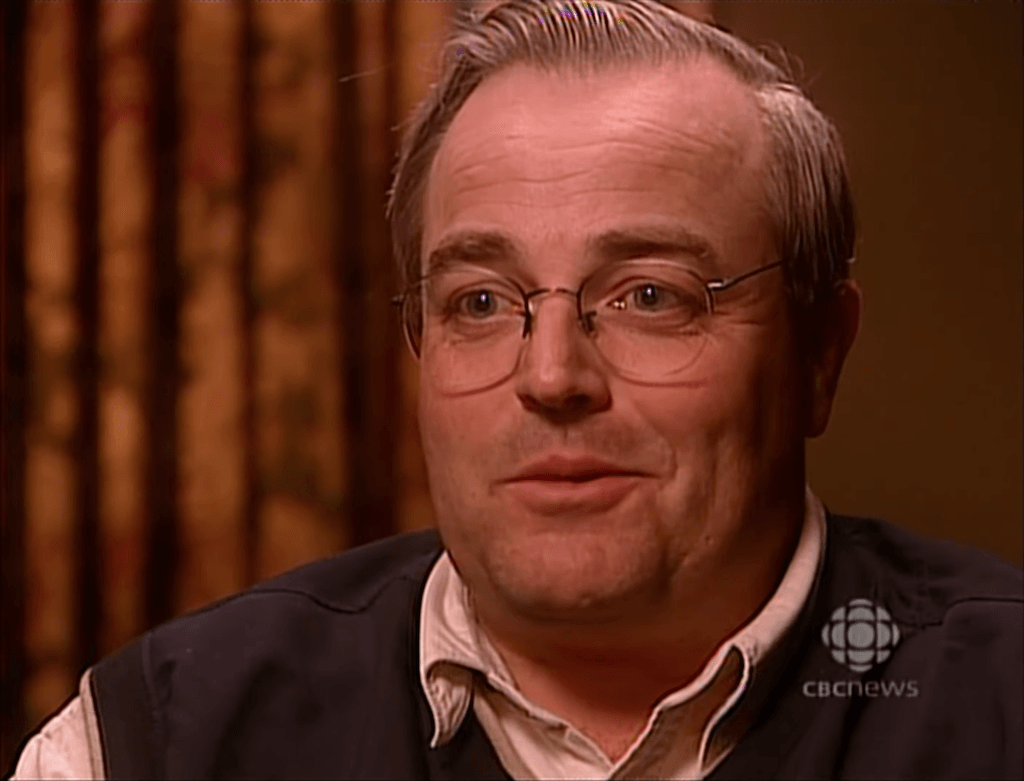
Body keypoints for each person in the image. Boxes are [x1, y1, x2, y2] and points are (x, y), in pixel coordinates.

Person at [12, 1, 1022, 779]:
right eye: (482, 301)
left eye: (649, 295)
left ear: (819, 355)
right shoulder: (151, 741)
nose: (550, 377)